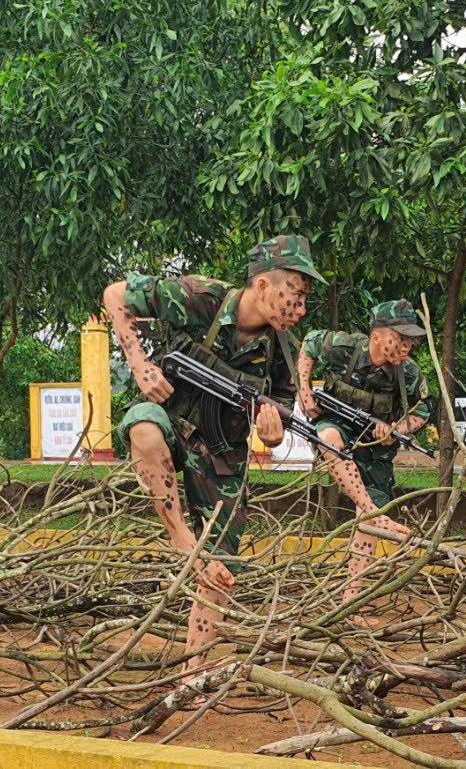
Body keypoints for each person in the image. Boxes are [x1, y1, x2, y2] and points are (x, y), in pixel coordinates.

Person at [101, 236, 326, 673]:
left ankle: (194, 671)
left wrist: (273, 434)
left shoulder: (281, 349)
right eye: (294, 297)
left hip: (222, 451)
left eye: (303, 302)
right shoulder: (199, 298)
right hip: (170, 419)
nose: (299, 311)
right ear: (263, 286)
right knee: (144, 430)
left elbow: (276, 425)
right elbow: (114, 295)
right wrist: (141, 365)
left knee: (221, 568)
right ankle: (181, 537)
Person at [296, 299, 430, 625]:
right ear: (375, 336)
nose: (406, 346)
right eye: (400, 338)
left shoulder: (409, 373)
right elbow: (309, 343)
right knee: (328, 440)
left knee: (368, 525)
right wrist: (304, 391)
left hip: (376, 452)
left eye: (410, 340)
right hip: (337, 428)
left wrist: (397, 430)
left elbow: (424, 411)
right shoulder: (344, 348)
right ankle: (371, 511)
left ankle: (350, 605)